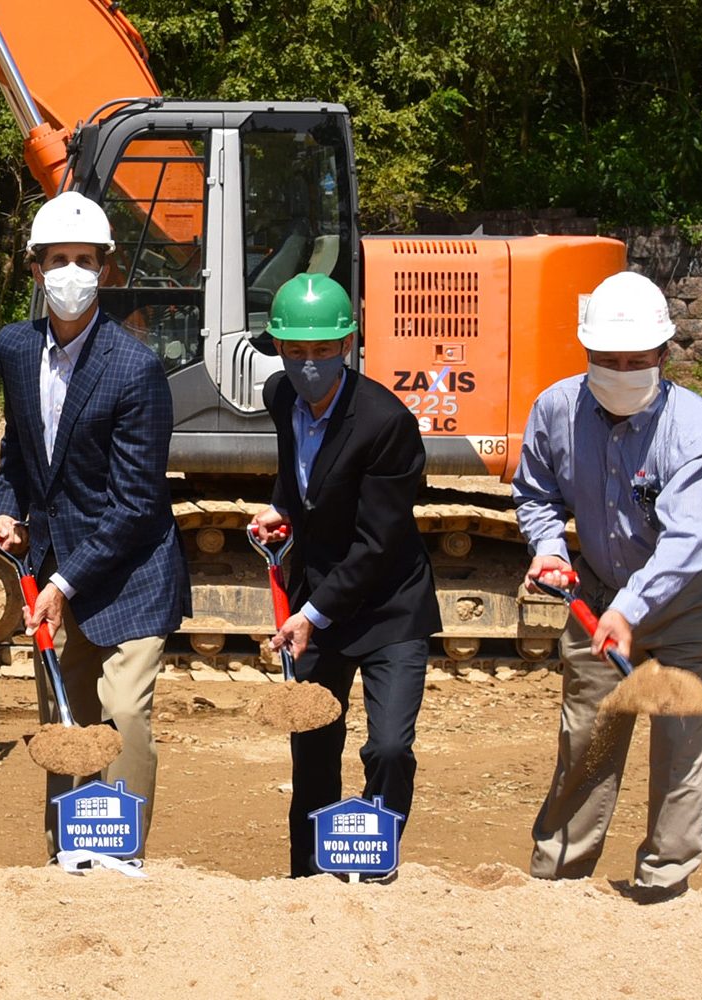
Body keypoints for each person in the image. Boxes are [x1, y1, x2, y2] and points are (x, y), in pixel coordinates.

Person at [513, 270, 702, 904]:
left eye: (635, 361)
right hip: (597, 593)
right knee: (586, 739)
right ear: (585, 353)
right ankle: (558, 882)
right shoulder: (556, 410)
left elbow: (689, 540)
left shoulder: (698, 431)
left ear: (664, 355)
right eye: (607, 360)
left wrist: (630, 608)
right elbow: (535, 494)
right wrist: (551, 549)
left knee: (681, 745)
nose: (621, 371)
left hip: (689, 602)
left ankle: (662, 888)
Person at [0, 190, 189, 857]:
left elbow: (136, 504)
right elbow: (20, 446)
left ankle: (121, 853)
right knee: (64, 718)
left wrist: (63, 584)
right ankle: (67, 852)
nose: (71, 273)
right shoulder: (16, 348)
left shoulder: (135, 370)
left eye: (84, 259)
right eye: (57, 259)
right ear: (36, 268)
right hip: (60, 564)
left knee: (125, 714)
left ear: (105, 270)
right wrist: (7, 506)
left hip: (131, 573)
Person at [246, 274, 439, 878]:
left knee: (388, 747)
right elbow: (298, 469)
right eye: (296, 350)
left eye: (323, 350)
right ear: (278, 347)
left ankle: (375, 863)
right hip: (320, 599)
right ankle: (309, 874)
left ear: (348, 344)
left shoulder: (386, 424)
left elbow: (377, 543)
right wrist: (282, 505)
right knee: (313, 741)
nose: (308, 364)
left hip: (389, 608)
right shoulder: (281, 396)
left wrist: (309, 615)